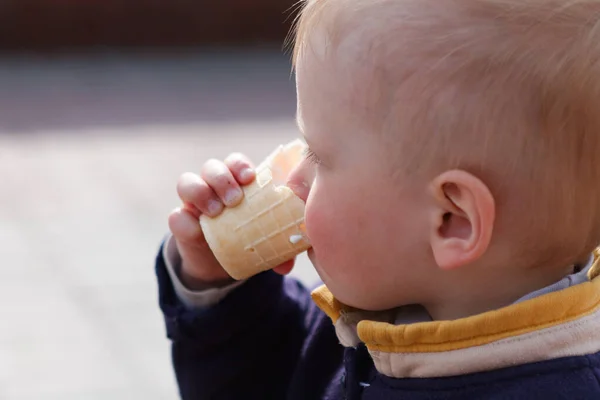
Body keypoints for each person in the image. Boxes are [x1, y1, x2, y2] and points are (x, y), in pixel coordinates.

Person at [155, 0, 600, 398]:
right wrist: (219, 290)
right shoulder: (373, 319)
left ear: (451, 220)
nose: (294, 178)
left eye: (318, 156)